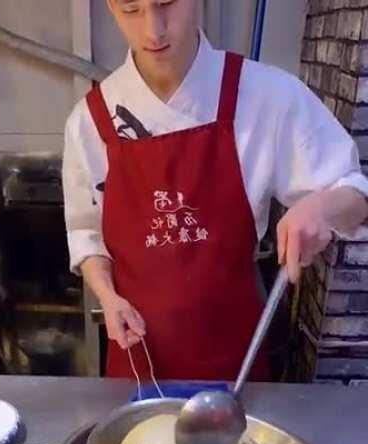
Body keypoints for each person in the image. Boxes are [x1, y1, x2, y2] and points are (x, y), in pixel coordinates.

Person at [63, 0, 368, 381]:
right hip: (138, 365)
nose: (153, 30)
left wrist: (322, 207)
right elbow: (86, 232)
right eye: (131, 10)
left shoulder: (265, 95)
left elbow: (356, 194)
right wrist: (107, 297)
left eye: (166, 4)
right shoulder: (90, 121)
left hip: (237, 361)